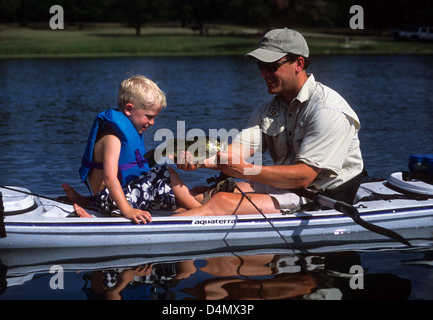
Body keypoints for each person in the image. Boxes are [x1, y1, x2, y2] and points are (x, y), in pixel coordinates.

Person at [173, 28, 365, 217]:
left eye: (271, 66)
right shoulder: (267, 109)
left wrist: (245, 170)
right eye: (260, 66)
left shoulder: (327, 110)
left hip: (324, 196)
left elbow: (303, 176)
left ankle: (150, 238)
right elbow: (234, 154)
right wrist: (197, 161)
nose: (263, 74)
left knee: (221, 202)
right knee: (202, 194)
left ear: (299, 63)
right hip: (286, 188)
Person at [64, 75, 200, 223]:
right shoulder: (113, 138)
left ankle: (88, 204)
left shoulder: (122, 132)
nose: (153, 122)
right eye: (149, 116)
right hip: (111, 200)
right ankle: (205, 211)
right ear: (129, 109)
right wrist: (128, 211)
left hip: (114, 198)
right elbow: (110, 178)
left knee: (176, 202)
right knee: (167, 173)